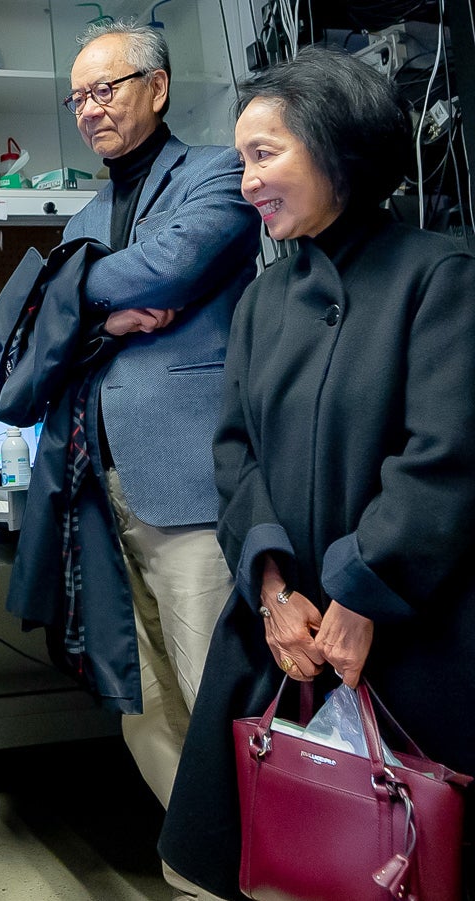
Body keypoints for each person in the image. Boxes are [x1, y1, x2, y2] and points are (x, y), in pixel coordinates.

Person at [160, 47, 475, 899]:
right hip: (288, 629)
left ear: (337, 147)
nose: (247, 182)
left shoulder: (438, 277)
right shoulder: (264, 299)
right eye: (242, 161)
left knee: (412, 855)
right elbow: (236, 453)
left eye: (266, 155)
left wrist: (363, 593)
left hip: (410, 623)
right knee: (280, 853)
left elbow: (445, 458)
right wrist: (268, 584)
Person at [12, 19, 261, 814]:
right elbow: (56, 328)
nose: (87, 110)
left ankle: (266, 865)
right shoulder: (82, 222)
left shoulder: (219, 175)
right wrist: (105, 314)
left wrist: (68, 298)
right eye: (77, 96)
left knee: (215, 690)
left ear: (155, 88)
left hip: (189, 485)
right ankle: (200, 870)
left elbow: (169, 264)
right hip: (101, 489)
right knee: (141, 698)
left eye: (103, 90)